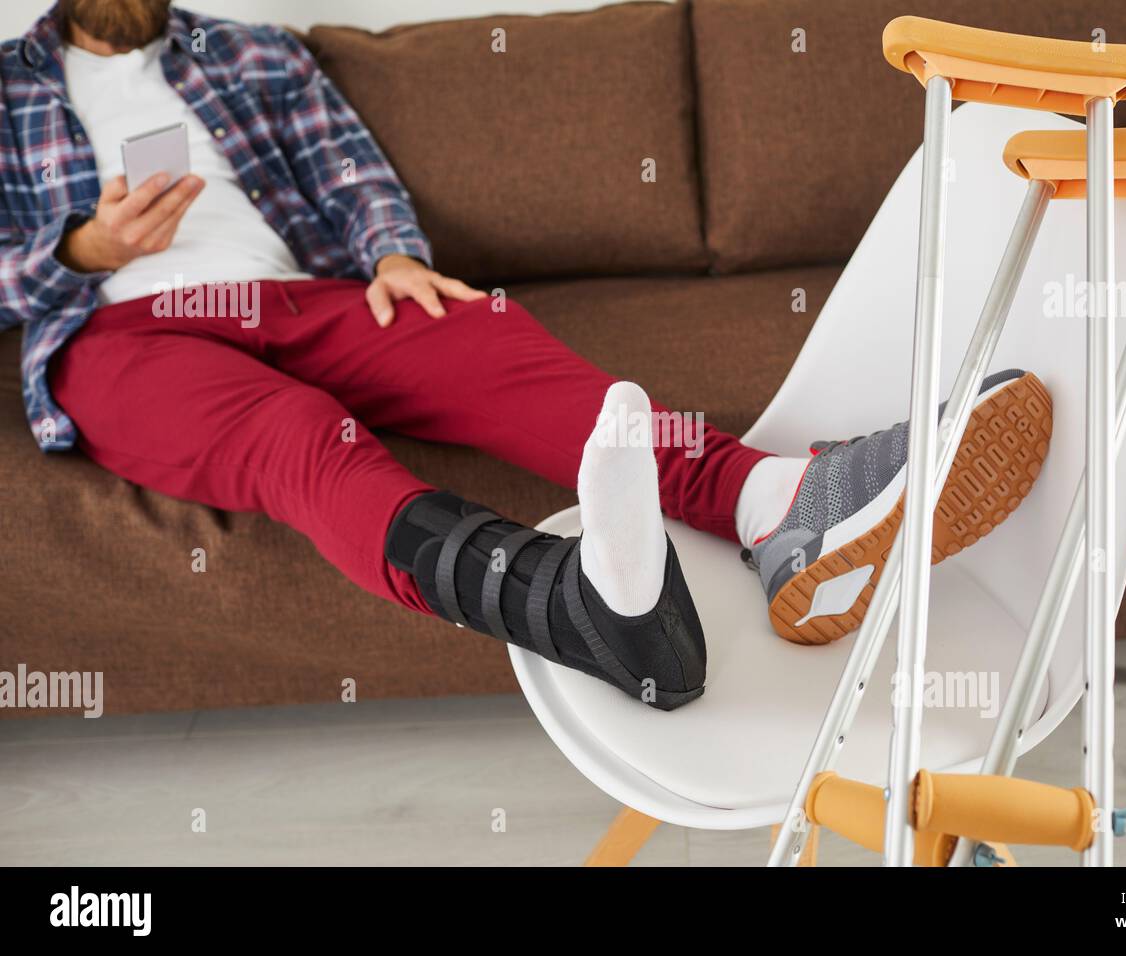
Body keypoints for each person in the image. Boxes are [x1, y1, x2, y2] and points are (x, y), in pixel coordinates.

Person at [0, 1, 1051, 709]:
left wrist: (395, 252)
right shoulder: (10, 86)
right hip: (121, 330)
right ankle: (582, 607)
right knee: (296, 436)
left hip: (308, 294)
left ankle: (778, 506)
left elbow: (349, 172)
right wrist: (86, 247)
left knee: (489, 342)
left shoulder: (255, 52)